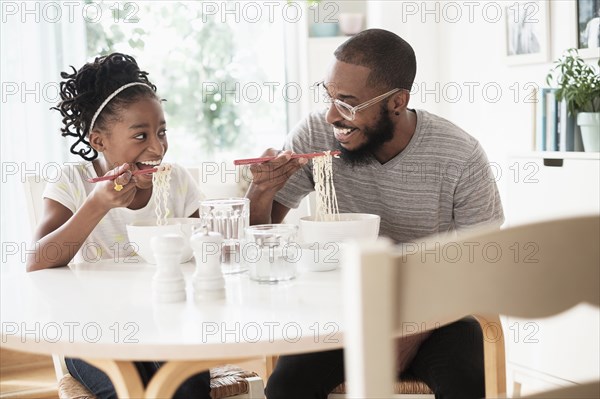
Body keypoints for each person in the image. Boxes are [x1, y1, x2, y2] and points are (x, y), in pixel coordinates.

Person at [246, 29, 504, 399]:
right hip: (341, 309)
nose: (333, 115)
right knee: (287, 386)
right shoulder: (317, 135)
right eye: (329, 96)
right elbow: (257, 242)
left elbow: (481, 262)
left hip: (438, 311)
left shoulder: (460, 155)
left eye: (348, 103)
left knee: (467, 378)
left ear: (397, 102)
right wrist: (261, 191)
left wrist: (411, 330)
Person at [25, 53, 210, 399]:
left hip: (167, 324)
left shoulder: (178, 181)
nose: (158, 147)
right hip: (89, 332)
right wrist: (96, 205)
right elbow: (37, 261)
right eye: (141, 136)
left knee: (186, 387)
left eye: (162, 131)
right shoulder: (74, 182)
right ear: (99, 141)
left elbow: (211, 249)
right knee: (129, 390)